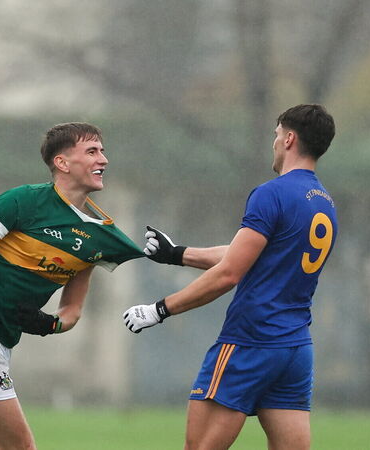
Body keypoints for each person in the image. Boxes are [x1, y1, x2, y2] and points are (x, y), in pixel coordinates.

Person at [0, 122, 144, 449]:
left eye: (102, 151)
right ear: (62, 163)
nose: (103, 159)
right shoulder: (24, 202)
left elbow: (72, 311)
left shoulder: (95, 235)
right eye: (92, 151)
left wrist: (50, 324)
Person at [123, 104, 337, 450]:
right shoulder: (324, 202)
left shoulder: (272, 193)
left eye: (276, 134)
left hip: (250, 343)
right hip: (294, 349)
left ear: (289, 138)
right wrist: (178, 254)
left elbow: (230, 273)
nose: (274, 141)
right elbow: (252, 255)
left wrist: (160, 309)